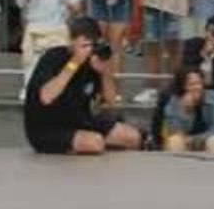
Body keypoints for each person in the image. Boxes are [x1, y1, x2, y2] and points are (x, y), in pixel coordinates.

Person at [22, 16, 143, 155]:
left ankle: (81, 143)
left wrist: (104, 72)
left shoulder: (94, 60)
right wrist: (75, 62)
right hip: (47, 127)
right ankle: (75, 145)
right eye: (84, 45)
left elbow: (111, 101)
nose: (88, 50)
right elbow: (46, 96)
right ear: (72, 41)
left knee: (132, 137)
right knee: (95, 143)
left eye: (91, 44)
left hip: (79, 120)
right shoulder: (54, 57)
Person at [156, 69, 214, 154]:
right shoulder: (174, 102)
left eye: (199, 83)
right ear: (183, 86)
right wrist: (186, 111)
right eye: (191, 84)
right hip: (185, 142)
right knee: (174, 140)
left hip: (206, 140)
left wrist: (194, 139)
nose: (197, 87)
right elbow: (174, 130)